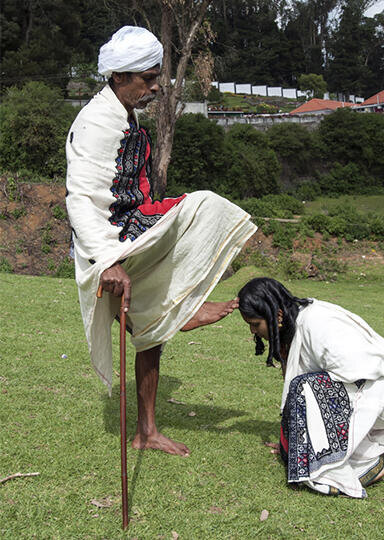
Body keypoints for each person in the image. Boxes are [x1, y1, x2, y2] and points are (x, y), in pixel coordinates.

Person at [66, 26, 257, 456]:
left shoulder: (123, 112)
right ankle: (178, 308)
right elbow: (79, 198)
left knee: (152, 330)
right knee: (206, 206)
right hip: (111, 239)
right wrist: (106, 261)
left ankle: (147, 431)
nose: (156, 86)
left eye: (157, 77)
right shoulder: (96, 123)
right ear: (118, 76)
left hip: (132, 221)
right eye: (147, 78)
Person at [237, 277, 384, 498]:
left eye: (255, 324)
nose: (253, 331)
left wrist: (307, 428)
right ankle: (368, 459)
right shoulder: (293, 325)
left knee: (306, 390)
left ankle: (356, 469)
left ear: (276, 315)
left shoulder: (317, 322)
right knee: (305, 395)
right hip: (371, 395)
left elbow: (361, 369)